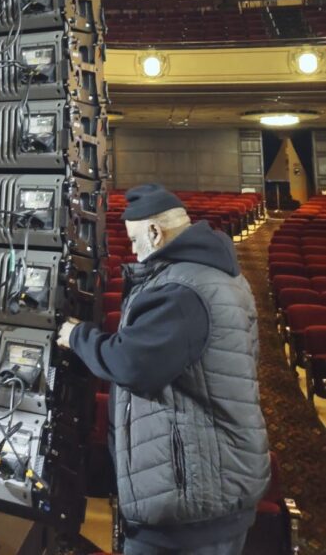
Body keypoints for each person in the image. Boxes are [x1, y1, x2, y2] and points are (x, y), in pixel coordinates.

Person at [58, 183, 270, 555]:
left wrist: (76, 336)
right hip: (209, 485)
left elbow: (131, 363)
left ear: (155, 232)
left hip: (193, 500)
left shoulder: (182, 291)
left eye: (134, 239)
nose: (132, 250)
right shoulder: (208, 275)